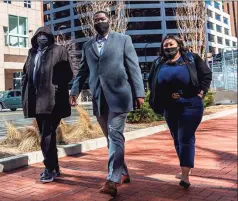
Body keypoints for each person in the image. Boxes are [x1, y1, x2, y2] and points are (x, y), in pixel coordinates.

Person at [69, 11, 145, 197]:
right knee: (110, 138)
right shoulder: (87, 45)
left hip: (120, 95)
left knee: (115, 135)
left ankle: (112, 179)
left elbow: (133, 66)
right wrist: (74, 90)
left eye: (102, 19)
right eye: (96, 20)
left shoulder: (123, 40)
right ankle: (124, 172)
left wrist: (139, 92)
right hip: (98, 97)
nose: (99, 22)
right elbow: (83, 71)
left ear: (109, 21)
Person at [148, 35, 212, 188]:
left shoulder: (191, 58)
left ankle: (185, 176)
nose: (168, 47)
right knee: (177, 138)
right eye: (165, 45)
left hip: (191, 104)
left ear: (178, 45)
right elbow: (151, 80)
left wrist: (202, 91)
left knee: (185, 136)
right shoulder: (158, 63)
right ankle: (185, 167)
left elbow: (206, 75)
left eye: (171, 44)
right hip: (169, 106)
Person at [21, 26, 73, 183]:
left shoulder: (59, 50)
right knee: (46, 135)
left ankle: (49, 168)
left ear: (50, 37)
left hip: (53, 101)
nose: (41, 37)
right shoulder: (32, 53)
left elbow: (68, 73)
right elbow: (25, 73)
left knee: (46, 136)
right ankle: (54, 166)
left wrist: (56, 87)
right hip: (36, 101)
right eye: (39, 35)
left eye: (45, 35)